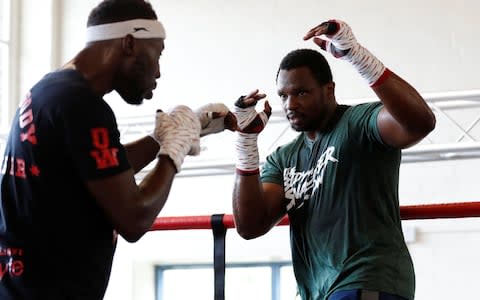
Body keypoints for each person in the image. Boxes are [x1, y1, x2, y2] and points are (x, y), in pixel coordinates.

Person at [0, 0, 230, 299]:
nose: (158, 71)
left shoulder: (51, 90)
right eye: (157, 54)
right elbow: (134, 218)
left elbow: (101, 167)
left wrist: (163, 137)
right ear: (130, 43)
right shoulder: (82, 104)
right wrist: (175, 149)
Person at [231, 19, 436, 300]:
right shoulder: (284, 157)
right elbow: (250, 226)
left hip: (367, 278)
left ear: (329, 90)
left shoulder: (358, 123)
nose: (290, 104)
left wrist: (355, 54)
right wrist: (245, 142)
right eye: (283, 95)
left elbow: (419, 123)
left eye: (301, 92)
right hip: (318, 291)